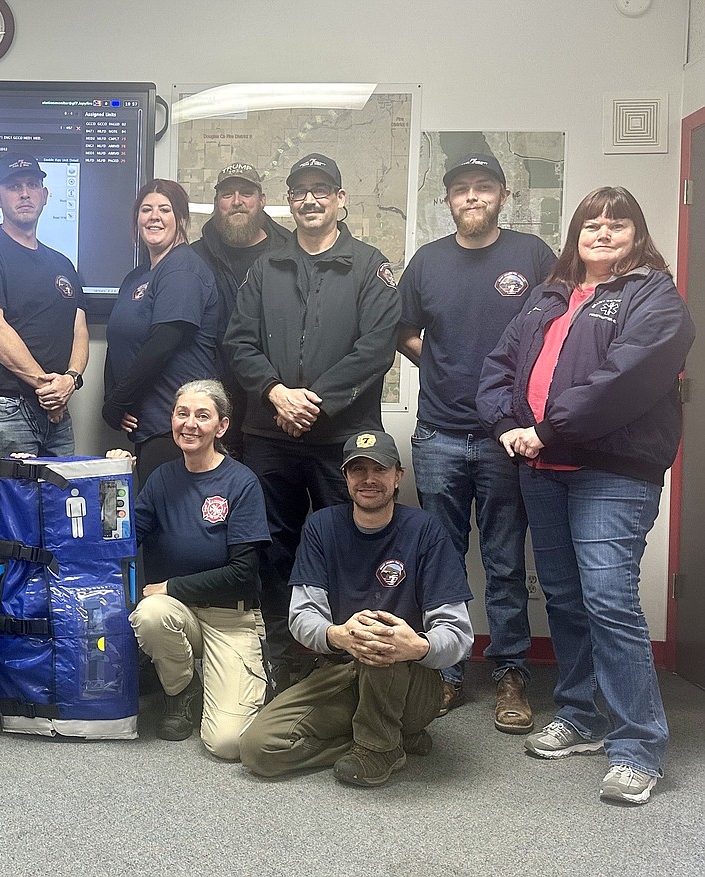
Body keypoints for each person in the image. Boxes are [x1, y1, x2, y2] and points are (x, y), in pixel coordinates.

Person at [477, 186, 695, 806]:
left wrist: (545, 428)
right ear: (575, 234)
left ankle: (638, 746)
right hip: (540, 468)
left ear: (637, 233)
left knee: (608, 600)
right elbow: (497, 368)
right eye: (590, 223)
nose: (602, 232)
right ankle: (580, 715)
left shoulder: (655, 298)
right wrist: (506, 427)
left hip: (612, 472)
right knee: (567, 598)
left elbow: (621, 380)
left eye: (616, 223)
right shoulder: (548, 297)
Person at [224, 152, 401, 688]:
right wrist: (278, 394)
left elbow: (376, 349)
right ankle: (285, 653)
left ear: (341, 199)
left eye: (322, 189)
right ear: (290, 201)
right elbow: (239, 341)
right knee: (274, 545)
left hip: (342, 440)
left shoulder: (370, 266)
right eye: (300, 191)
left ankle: (347, 654)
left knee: (346, 542)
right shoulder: (265, 266)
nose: (310, 199)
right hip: (269, 432)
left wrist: (314, 401)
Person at [397, 153, 557, 730]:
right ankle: (445, 670)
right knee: (441, 558)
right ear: (447, 200)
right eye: (461, 189)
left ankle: (511, 673)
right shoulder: (427, 262)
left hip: (504, 436)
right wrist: (441, 365)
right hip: (438, 432)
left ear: (502, 195)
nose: (471, 197)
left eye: (482, 187)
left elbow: (556, 327)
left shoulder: (532, 256)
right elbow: (406, 331)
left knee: (503, 559)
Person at [240, 431, 473, 787]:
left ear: (398, 476)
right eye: (357, 470)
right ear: (345, 477)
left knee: (380, 641)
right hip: (341, 672)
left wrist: (417, 646)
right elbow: (302, 617)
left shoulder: (425, 530)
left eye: (379, 469)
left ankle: (378, 748)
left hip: (410, 683)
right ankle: (389, 741)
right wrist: (339, 635)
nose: (368, 480)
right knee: (259, 751)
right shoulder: (322, 526)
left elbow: (458, 634)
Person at [110, 380, 270, 759]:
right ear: (172, 420)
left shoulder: (241, 483)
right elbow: (123, 540)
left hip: (231, 618)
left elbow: (244, 574)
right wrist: (114, 481)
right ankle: (182, 691)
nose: (190, 424)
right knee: (150, 613)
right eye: (182, 414)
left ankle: (252, 672)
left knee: (228, 744)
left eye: (203, 415)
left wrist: (170, 586)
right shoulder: (163, 477)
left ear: (222, 426)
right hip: (178, 616)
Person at [0, 151, 89, 471]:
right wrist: (47, 387)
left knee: (59, 513)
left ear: (44, 195)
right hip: (3, 410)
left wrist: (70, 380)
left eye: (32, 184)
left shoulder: (62, 264)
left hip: (57, 411)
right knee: (5, 514)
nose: (25, 193)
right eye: (14, 186)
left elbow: (80, 329)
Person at [103, 178, 220, 485]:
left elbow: (163, 343)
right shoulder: (137, 277)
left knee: (173, 526)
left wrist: (118, 401)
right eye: (146, 209)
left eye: (164, 209)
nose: (154, 216)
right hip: (148, 425)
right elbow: (118, 339)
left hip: (178, 427)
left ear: (181, 219)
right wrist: (114, 397)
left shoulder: (182, 269)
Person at [192, 161, 291, 458]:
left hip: (274, 408)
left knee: (271, 501)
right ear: (216, 203)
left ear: (262, 201)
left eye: (246, 192)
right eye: (227, 194)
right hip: (212, 403)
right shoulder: (194, 257)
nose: (237, 201)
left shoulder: (291, 252)